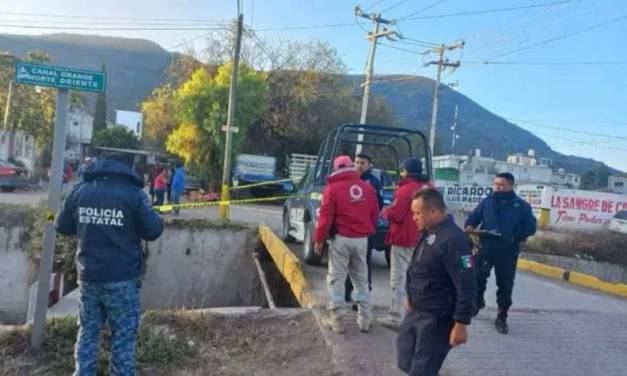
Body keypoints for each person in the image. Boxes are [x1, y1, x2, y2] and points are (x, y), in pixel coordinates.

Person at [55, 153, 164, 376]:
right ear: (128, 168)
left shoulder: (80, 191)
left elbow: (61, 225)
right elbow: (153, 231)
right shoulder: (134, 195)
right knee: (123, 335)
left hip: (88, 278)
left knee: (87, 332)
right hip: (122, 279)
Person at [397, 188, 477, 376]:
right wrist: (411, 297)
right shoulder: (428, 232)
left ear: (433, 211)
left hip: (437, 318)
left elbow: (467, 284)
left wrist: (461, 324)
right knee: (405, 360)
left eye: (418, 213)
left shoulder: (455, 240)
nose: (414, 218)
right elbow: (419, 270)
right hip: (416, 311)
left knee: (423, 369)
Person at [464, 172, 536, 334]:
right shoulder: (487, 202)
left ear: (511, 186)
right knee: (478, 277)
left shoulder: (521, 206)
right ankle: (478, 301)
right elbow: (474, 217)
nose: (497, 188)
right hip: (486, 247)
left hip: (508, 251)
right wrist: (469, 225)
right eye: (495, 184)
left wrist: (513, 235)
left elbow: (531, 228)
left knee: (505, 285)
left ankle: (501, 316)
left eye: (501, 185)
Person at [314, 155, 379, 333]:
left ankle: (337, 320)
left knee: (337, 279)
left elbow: (325, 218)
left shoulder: (332, 189)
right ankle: (365, 319)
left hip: (340, 240)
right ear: (351, 166)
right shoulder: (367, 188)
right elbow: (374, 213)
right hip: (362, 240)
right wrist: (366, 229)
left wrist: (319, 239)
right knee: (361, 280)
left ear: (336, 169)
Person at [380, 157, 433, 328]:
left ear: (406, 171)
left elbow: (397, 215)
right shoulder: (431, 188)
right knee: (420, 278)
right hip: (426, 240)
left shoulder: (405, 190)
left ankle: (396, 317)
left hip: (404, 239)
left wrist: (386, 212)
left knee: (399, 277)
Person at [344, 153, 383, 306]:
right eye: (357, 162)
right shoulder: (349, 180)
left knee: (363, 264)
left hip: (365, 230)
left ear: (369, 165)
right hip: (349, 229)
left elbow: (377, 206)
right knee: (347, 262)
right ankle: (346, 293)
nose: (359, 165)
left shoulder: (373, 182)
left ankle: (361, 299)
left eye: (362, 163)